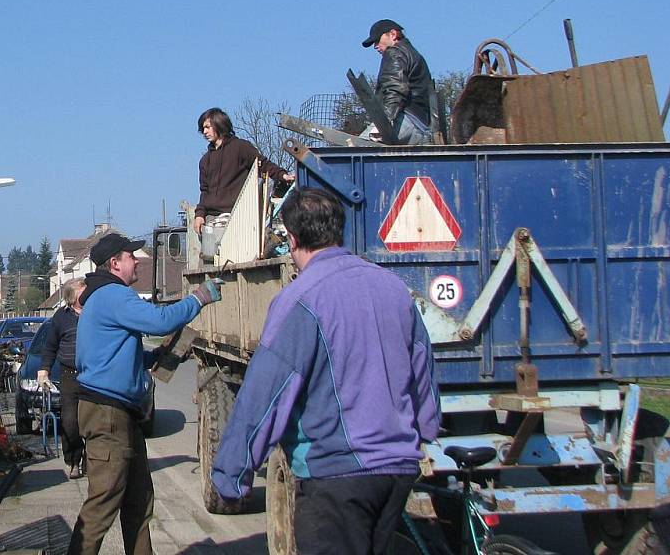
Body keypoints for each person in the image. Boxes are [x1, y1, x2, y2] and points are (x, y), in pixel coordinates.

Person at [212, 188, 441, 555]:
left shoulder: (300, 299)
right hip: (398, 470)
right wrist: (425, 428)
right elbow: (422, 369)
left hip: (337, 477)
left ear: (292, 237)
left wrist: (232, 475)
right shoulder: (394, 289)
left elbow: (265, 393)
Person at [67, 232, 223, 555]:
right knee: (104, 500)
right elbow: (160, 321)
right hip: (107, 414)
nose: (137, 260)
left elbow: (111, 356)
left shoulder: (103, 297)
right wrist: (199, 298)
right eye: (131, 256)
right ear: (115, 263)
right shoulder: (112, 295)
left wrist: (157, 358)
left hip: (119, 414)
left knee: (138, 501)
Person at [194, 107, 294, 235]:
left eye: (208, 127)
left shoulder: (241, 147)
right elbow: (205, 191)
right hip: (212, 218)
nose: (204, 131)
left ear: (219, 124)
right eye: (202, 128)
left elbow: (262, 165)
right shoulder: (205, 160)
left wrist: (282, 175)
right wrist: (200, 214)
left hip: (239, 216)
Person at [37, 277, 86, 479]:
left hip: (93, 375)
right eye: (84, 290)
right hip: (69, 376)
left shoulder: (95, 313)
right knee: (70, 422)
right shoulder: (61, 317)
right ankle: (73, 460)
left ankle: (92, 461)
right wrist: (44, 370)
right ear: (73, 297)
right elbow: (50, 346)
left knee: (93, 422)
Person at [361, 18, 434, 146]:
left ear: (393, 34)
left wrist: (383, 124)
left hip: (405, 121)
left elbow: (395, 89)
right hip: (422, 127)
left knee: (356, 150)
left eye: (377, 40)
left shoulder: (395, 53)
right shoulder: (414, 54)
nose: (375, 46)